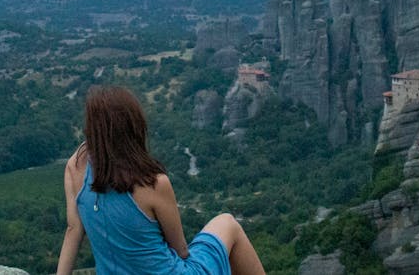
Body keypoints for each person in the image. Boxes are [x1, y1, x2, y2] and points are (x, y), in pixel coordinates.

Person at [56, 86, 266, 275]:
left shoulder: (75, 167)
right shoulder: (153, 182)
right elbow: (181, 250)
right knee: (228, 223)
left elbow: (73, 230)